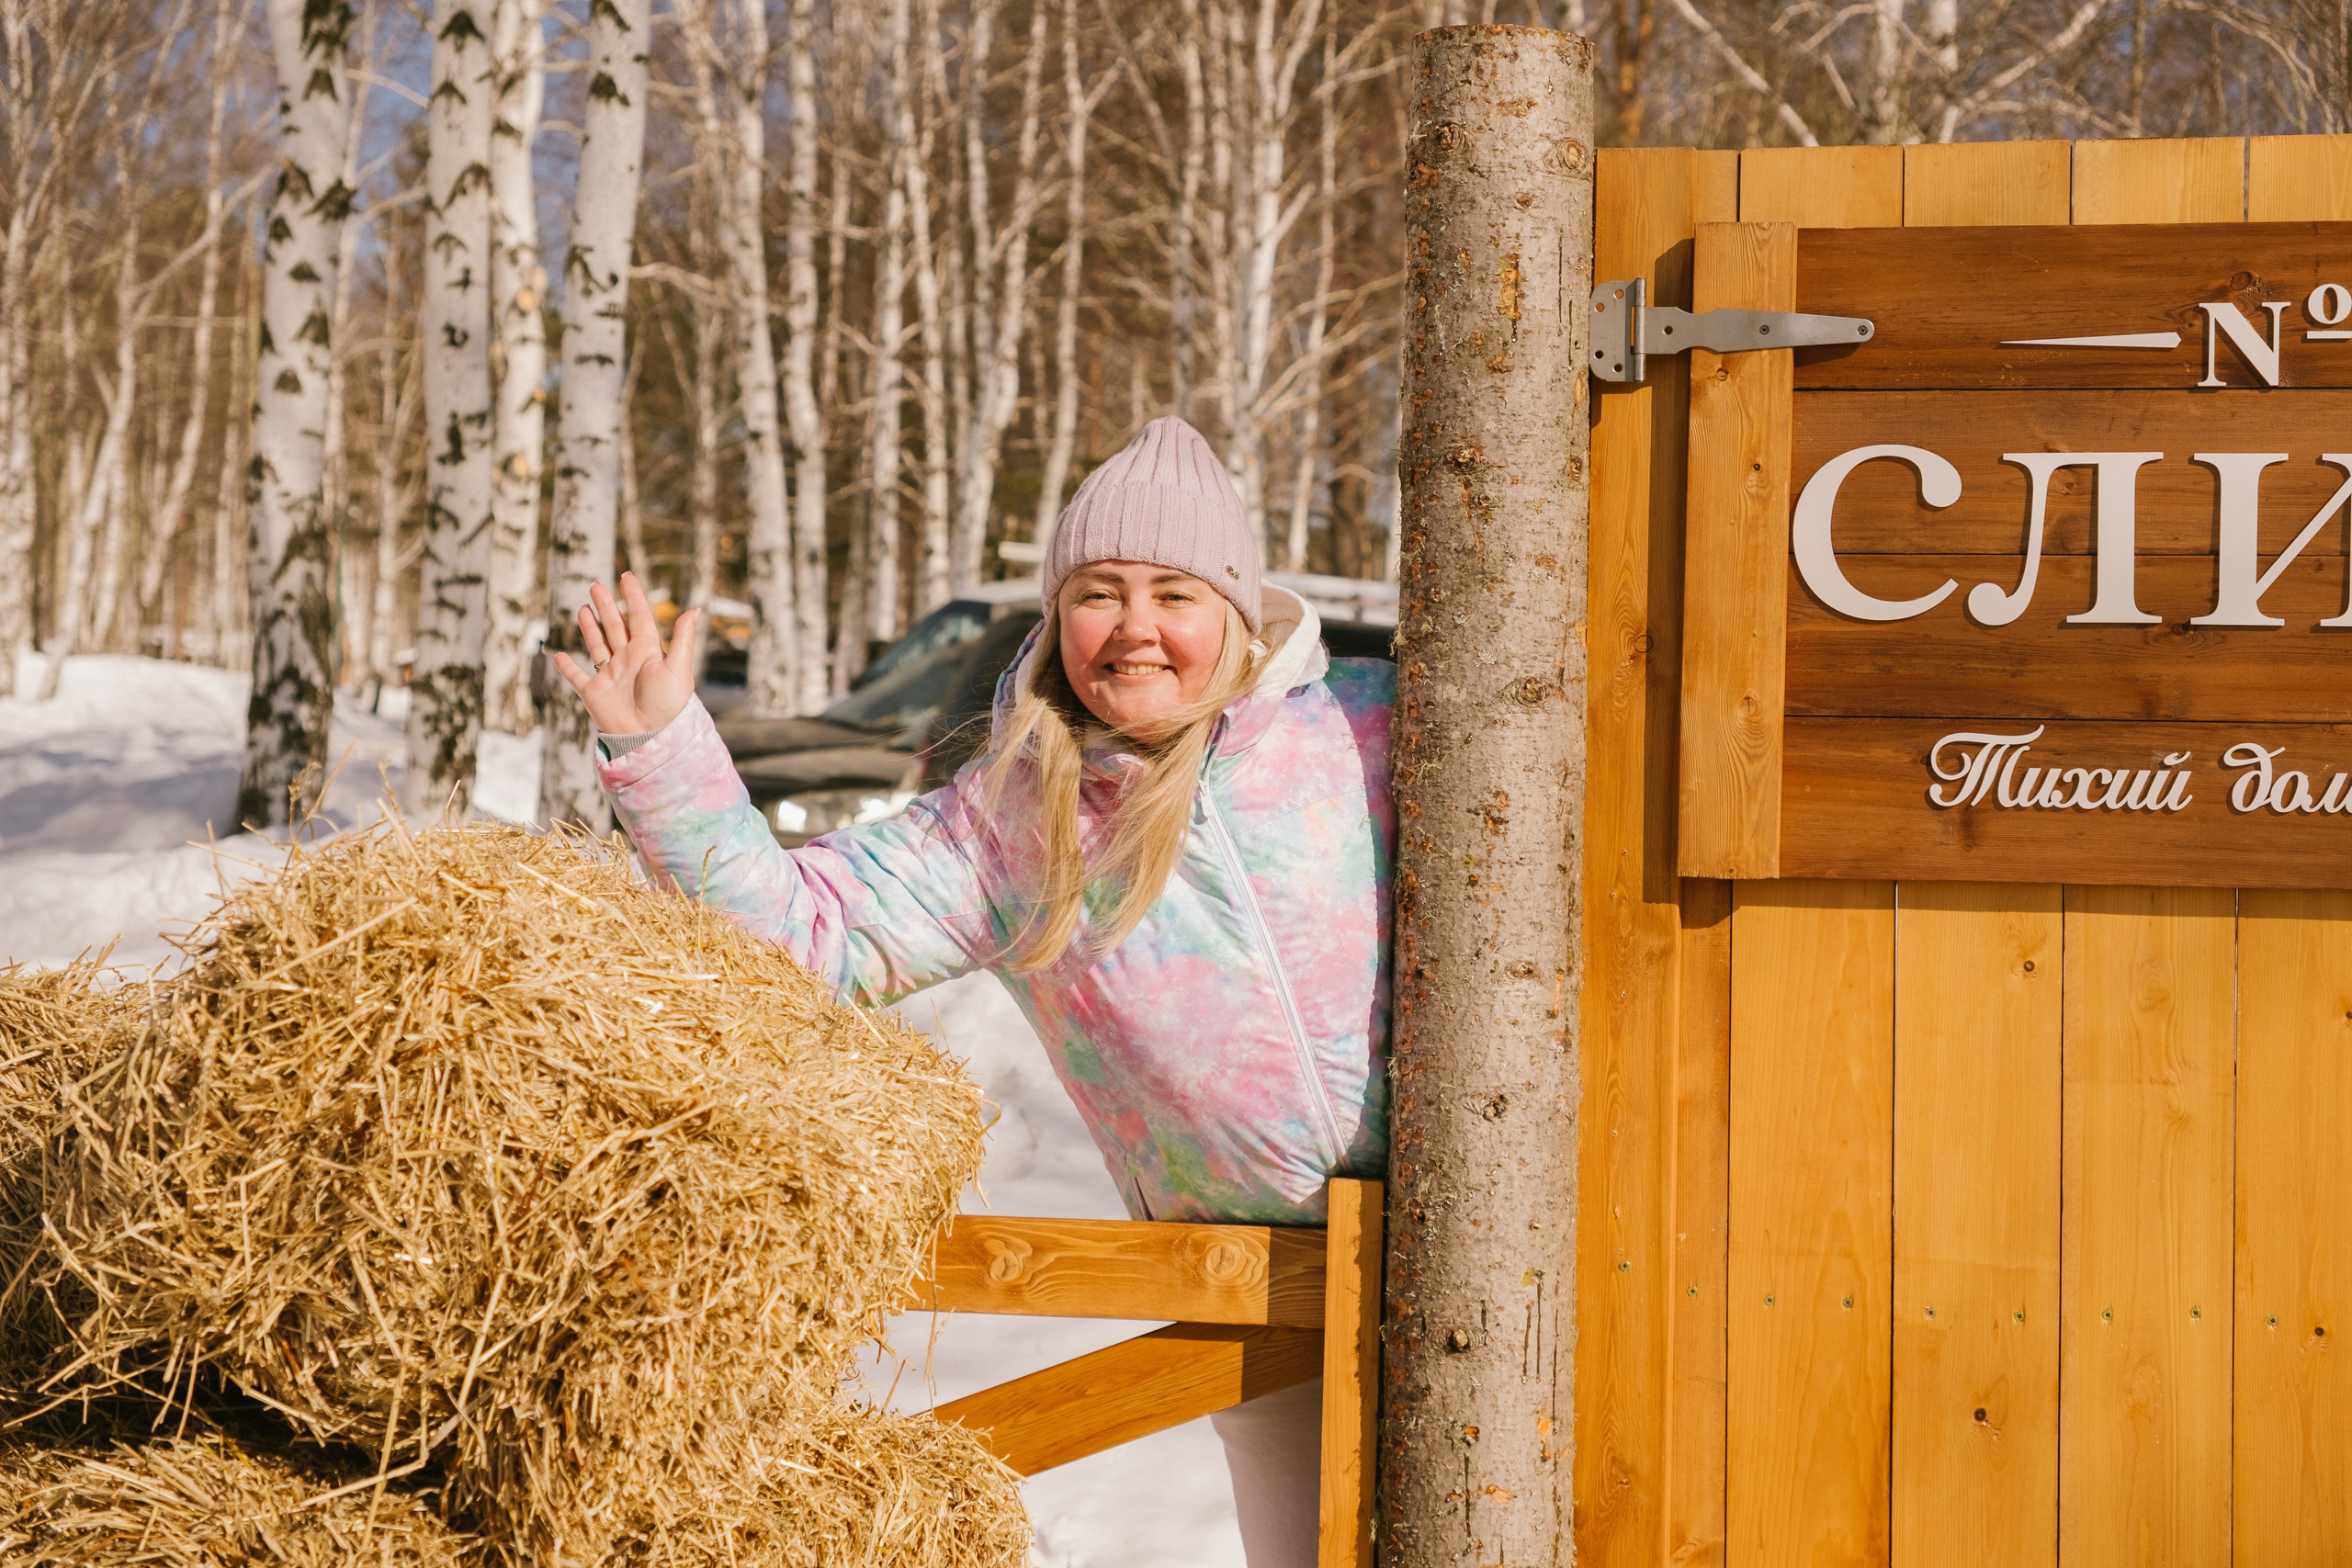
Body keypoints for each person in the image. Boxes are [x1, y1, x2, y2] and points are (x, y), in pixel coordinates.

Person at [553, 416, 1394, 1568]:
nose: (1135, 628)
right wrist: (660, 749)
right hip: (1258, 1294)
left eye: (1174, 594)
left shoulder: (1368, 727)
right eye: (1099, 592)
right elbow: (809, 936)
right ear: (1058, 620)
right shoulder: (1017, 819)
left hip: (1483, 1246)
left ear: (1239, 615)